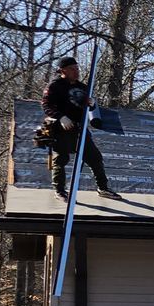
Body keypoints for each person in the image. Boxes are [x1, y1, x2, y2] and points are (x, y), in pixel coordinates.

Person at [38, 56, 118, 200]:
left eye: (77, 68)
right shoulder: (54, 86)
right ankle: (60, 191)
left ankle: (103, 188)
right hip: (61, 128)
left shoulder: (82, 87)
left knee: (95, 158)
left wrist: (92, 103)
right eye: (72, 69)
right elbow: (46, 105)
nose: (76, 72)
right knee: (60, 160)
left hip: (79, 129)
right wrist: (60, 117)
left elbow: (89, 107)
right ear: (63, 70)